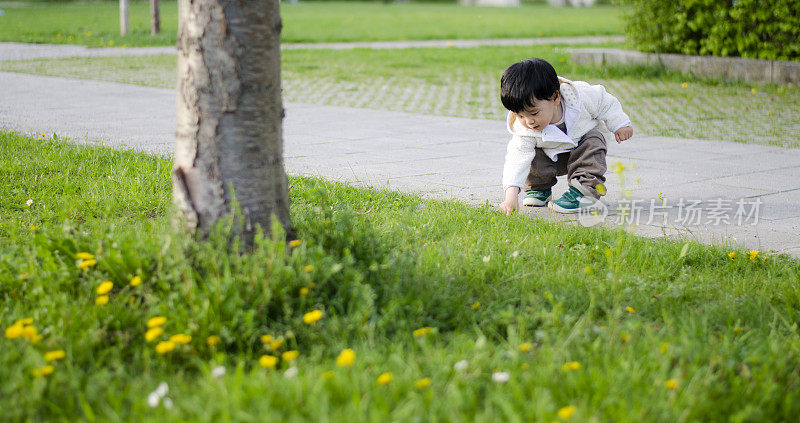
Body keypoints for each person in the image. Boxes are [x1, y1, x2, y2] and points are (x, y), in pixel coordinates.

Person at [497, 58, 633, 215]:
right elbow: (516, 159)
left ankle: (584, 192)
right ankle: (539, 187)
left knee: (593, 139)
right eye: (520, 115)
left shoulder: (579, 96)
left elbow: (604, 101)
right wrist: (511, 196)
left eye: (534, 113)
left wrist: (620, 124)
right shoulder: (524, 129)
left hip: (583, 151)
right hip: (552, 157)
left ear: (555, 98)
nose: (529, 122)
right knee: (526, 151)